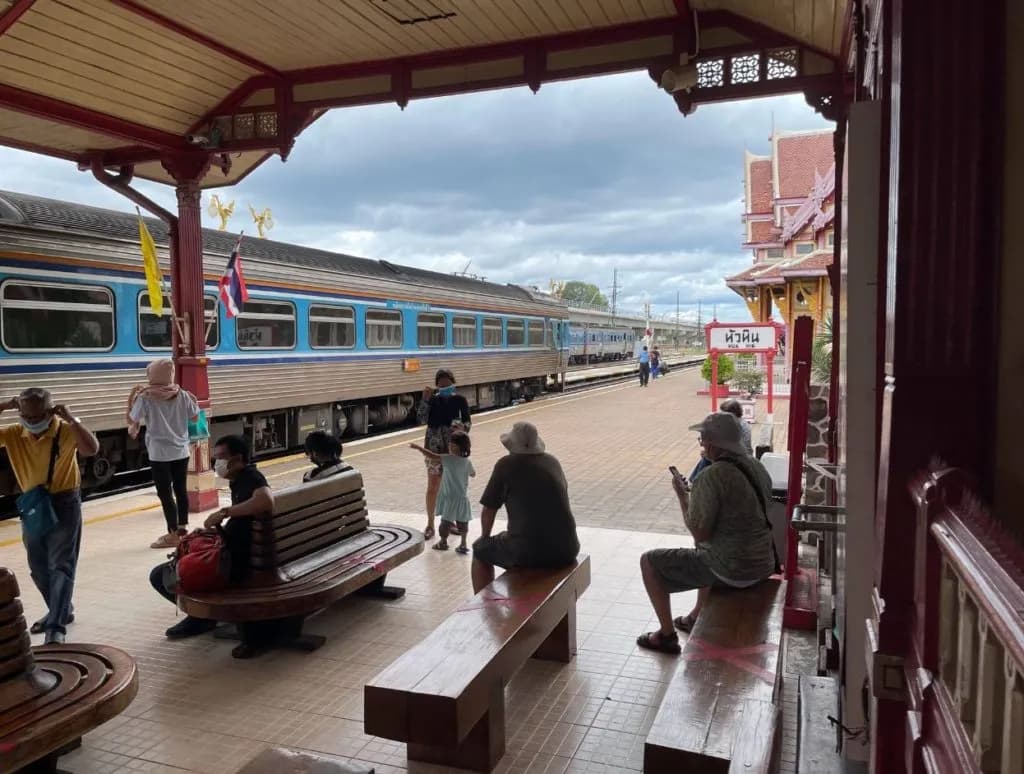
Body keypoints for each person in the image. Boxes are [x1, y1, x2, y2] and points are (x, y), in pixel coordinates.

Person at [637, 413, 776, 654]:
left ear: (713, 443)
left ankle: (666, 635)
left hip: (734, 570)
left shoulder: (711, 475)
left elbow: (699, 532)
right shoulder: (757, 467)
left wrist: (683, 496)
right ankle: (694, 617)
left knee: (649, 561)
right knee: (709, 550)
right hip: (763, 564)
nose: (702, 445)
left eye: (702, 439)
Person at [149, 435, 273, 642]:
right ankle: (202, 616)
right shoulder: (240, 479)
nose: (217, 464)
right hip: (246, 554)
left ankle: (202, 617)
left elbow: (266, 501)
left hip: (235, 564)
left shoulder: (251, 477)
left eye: (221, 458)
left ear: (238, 458)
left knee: (160, 575)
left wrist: (224, 512)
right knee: (184, 554)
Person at [0, 388, 99, 644]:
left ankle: (56, 626)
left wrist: (71, 418)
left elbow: (91, 449)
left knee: (61, 565)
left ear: (51, 411)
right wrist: (4, 406)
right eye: (27, 416)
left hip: (64, 502)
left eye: (38, 417)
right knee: (38, 568)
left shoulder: (65, 430)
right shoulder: (14, 434)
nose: (32, 422)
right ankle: (61, 609)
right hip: (33, 505)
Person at [472, 422, 580, 593]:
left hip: (527, 551)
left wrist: (484, 537)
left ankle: (483, 603)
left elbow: (489, 510)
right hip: (568, 548)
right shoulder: (552, 461)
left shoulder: (505, 465)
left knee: (480, 550)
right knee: (516, 542)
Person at [127, 359, 200, 550]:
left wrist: (131, 397)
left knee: (165, 493)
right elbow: (194, 417)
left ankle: (173, 533)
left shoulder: (146, 397)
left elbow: (132, 419)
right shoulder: (182, 394)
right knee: (180, 490)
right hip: (181, 451)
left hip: (159, 454)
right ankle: (182, 529)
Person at [416, 369, 471, 540]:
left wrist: (463, 428)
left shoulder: (460, 400)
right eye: (441, 385)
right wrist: (425, 400)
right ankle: (430, 524)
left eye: (447, 384)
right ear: (437, 385)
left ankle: (449, 521)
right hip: (433, 449)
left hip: (453, 450)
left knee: (451, 488)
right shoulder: (432, 400)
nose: (444, 387)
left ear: (453, 384)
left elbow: (468, 422)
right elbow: (421, 419)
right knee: (433, 487)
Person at [410, 430, 475, 553]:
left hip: (450, 498)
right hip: (462, 498)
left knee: (445, 523)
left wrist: (419, 448)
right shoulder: (467, 462)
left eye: (451, 445)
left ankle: (443, 542)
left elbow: (432, 455)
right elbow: (473, 474)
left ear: (456, 447)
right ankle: (463, 543)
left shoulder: (448, 459)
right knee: (463, 522)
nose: (449, 447)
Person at [689, 403, 753, 481]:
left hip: (738, 457)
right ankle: (693, 480)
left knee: (706, 458)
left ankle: (694, 480)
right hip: (742, 456)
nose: (701, 444)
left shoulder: (733, 426)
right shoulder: (739, 423)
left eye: (703, 440)